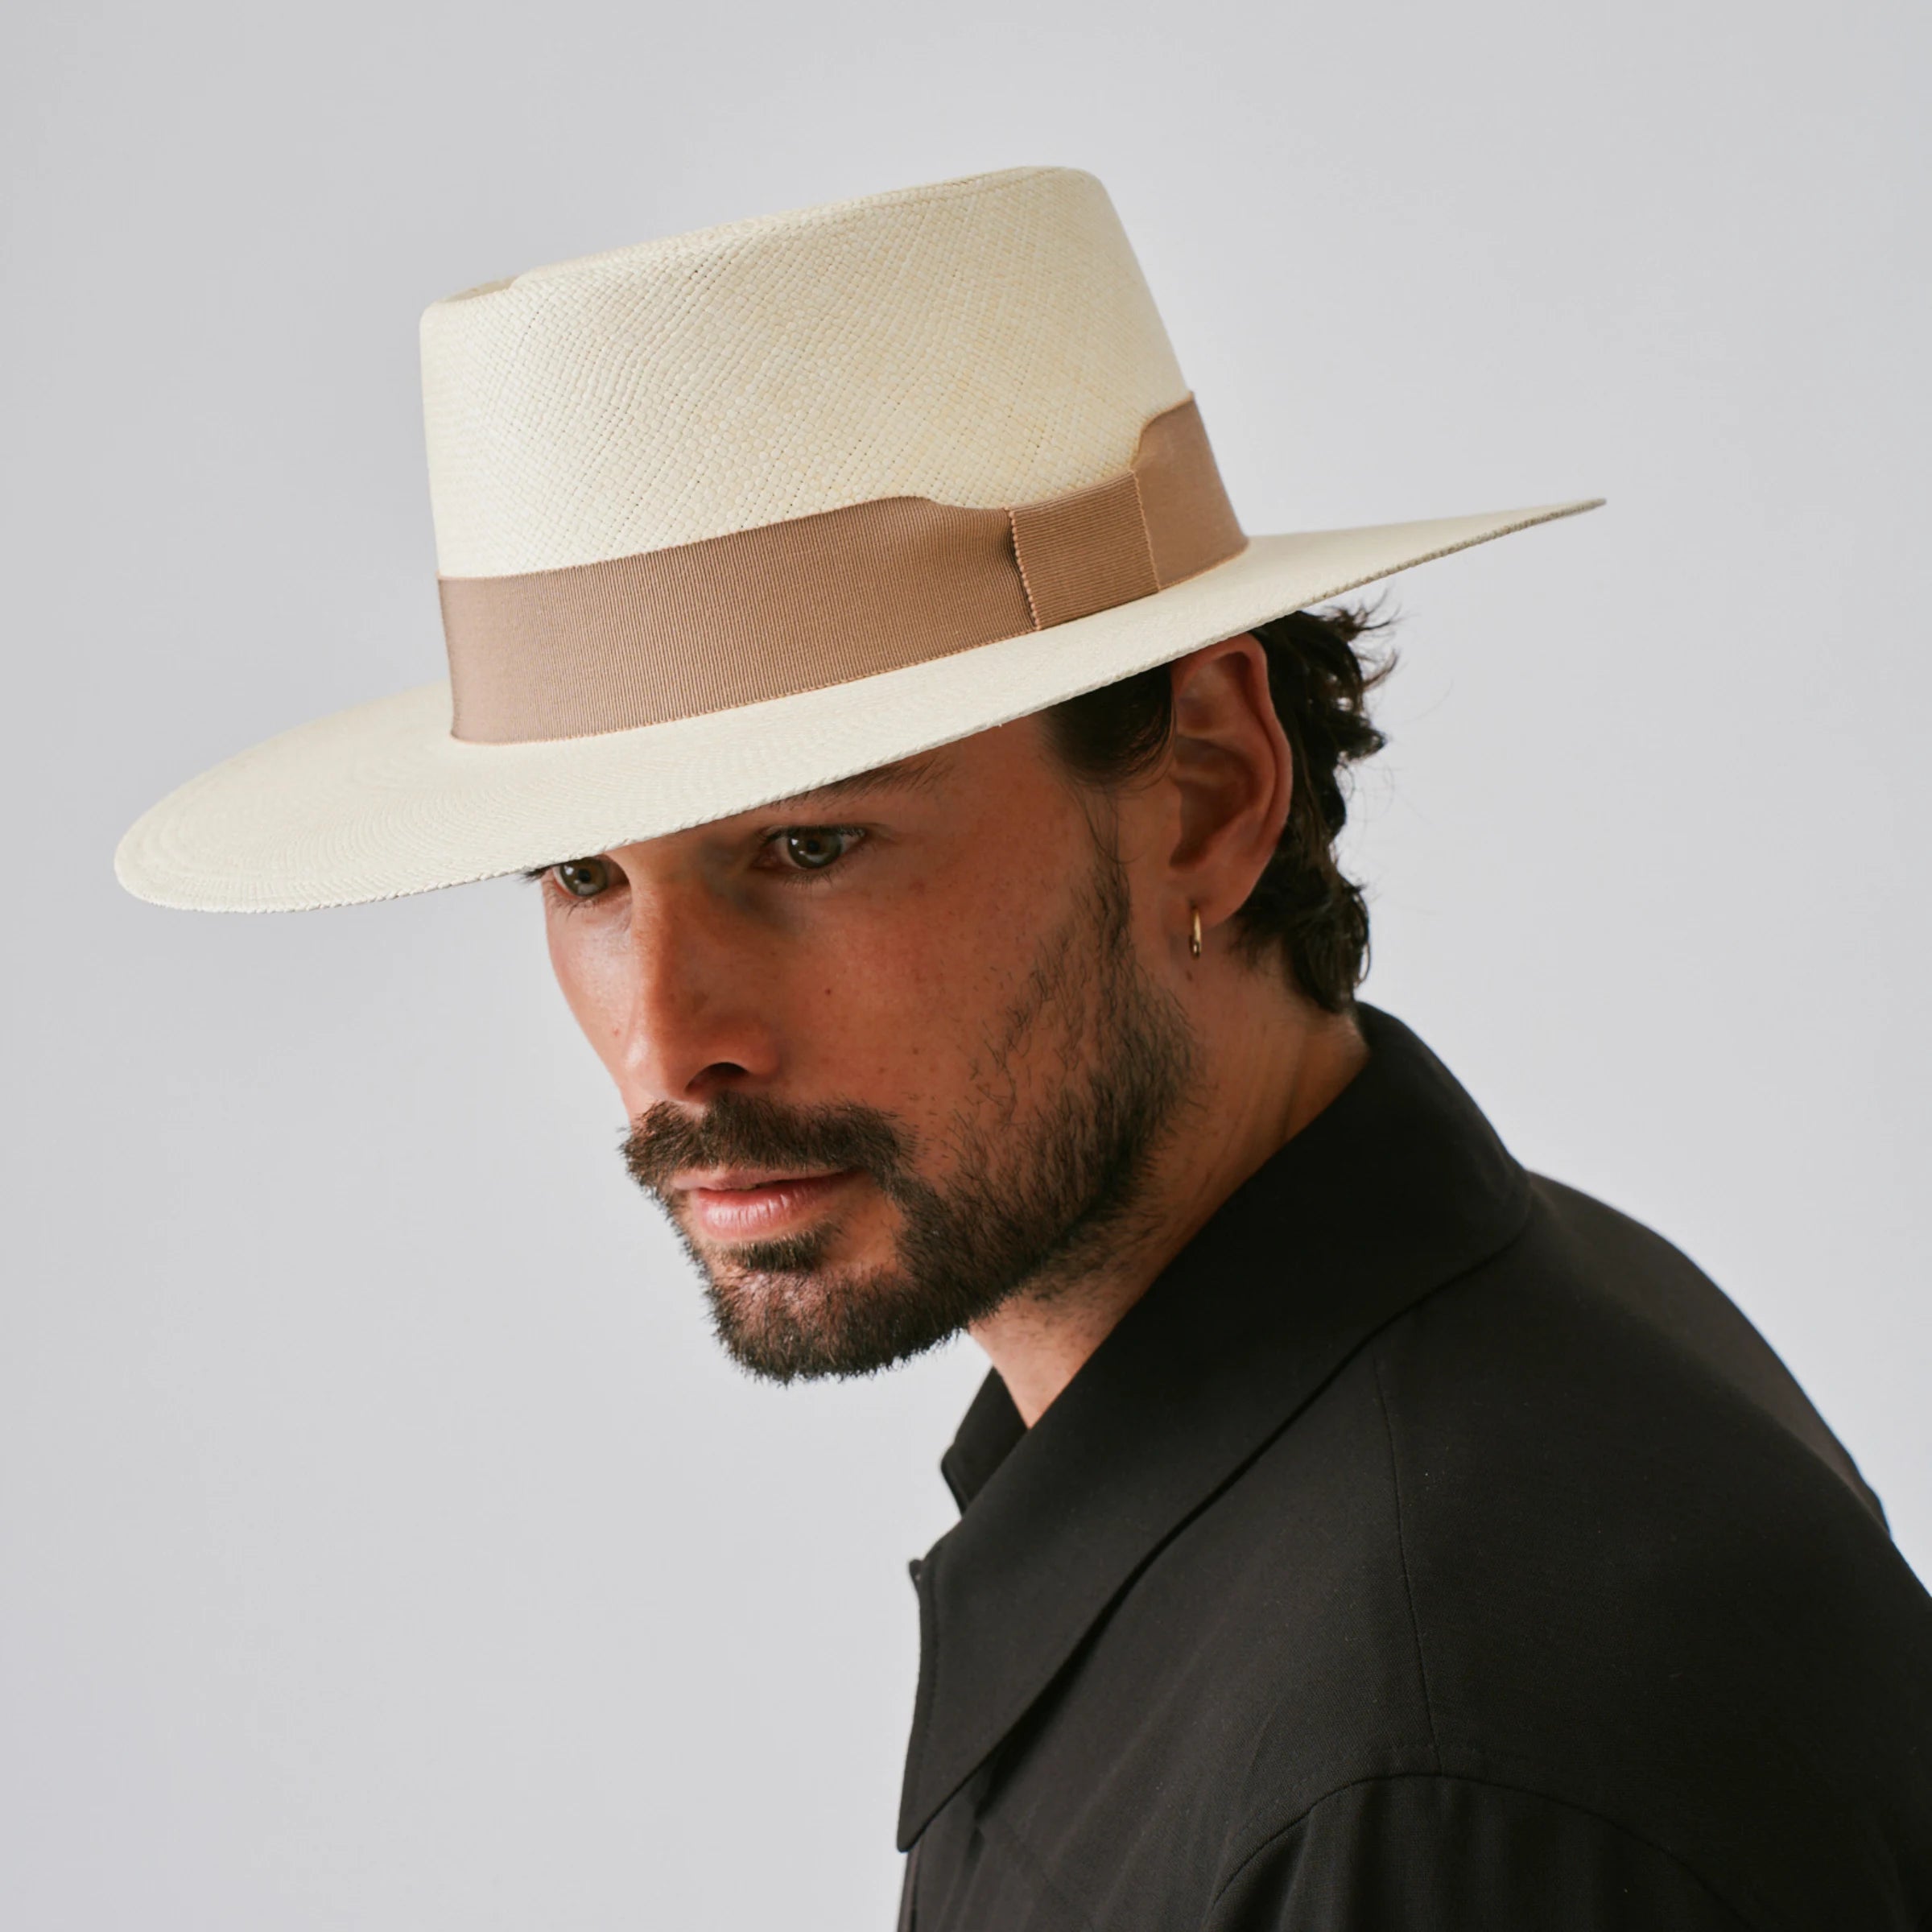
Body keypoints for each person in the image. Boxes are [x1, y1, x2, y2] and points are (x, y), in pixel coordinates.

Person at [117, 167, 1932, 1927]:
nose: (672, 1042)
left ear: (1207, 790)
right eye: (585, 875)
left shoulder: (1430, 1766)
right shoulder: (1432, 1381)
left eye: (808, 846)